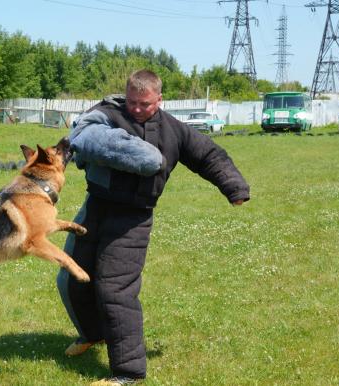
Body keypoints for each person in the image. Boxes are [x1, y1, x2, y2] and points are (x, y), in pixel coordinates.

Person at [56, 69, 250, 386]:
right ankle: (92, 334)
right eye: (132, 102)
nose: (136, 109)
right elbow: (81, 135)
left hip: (134, 218)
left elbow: (208, 155)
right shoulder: (107, 113)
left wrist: (235, 188)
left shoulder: (174, 131)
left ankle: (128, 372)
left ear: (159, 99)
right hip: (95, 208)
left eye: (144, 104)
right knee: (72, 277)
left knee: (115, 290)